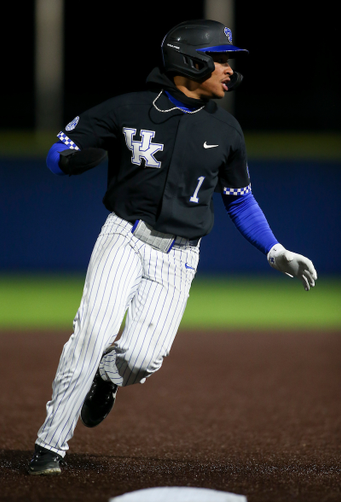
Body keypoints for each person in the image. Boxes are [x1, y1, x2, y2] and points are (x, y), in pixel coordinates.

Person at [28, 19, 317, 475]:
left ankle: (107, 377)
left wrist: (273, 248)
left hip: (181, 256)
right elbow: (59, 150)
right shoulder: (128, 109)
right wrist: (68, 160)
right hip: (124, 235)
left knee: (143, 359)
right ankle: (50, 448)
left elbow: (241, 202)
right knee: (91, 334)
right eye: (221, 59)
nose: (229, 69)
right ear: (190, 61)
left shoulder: (227, 132)